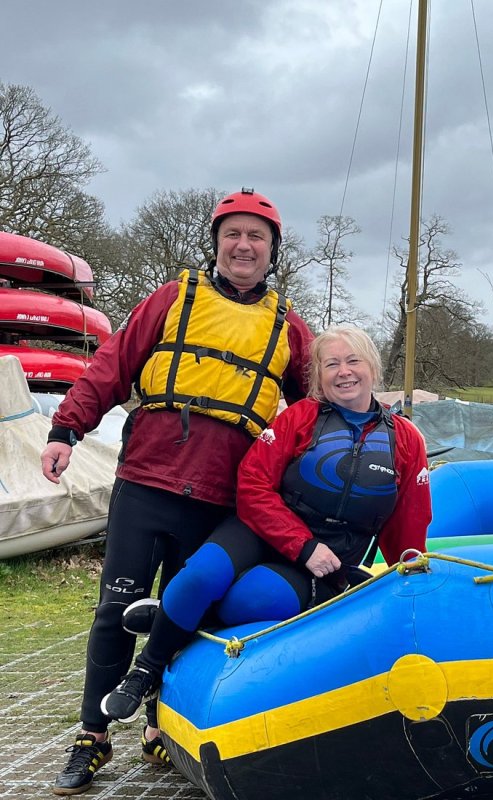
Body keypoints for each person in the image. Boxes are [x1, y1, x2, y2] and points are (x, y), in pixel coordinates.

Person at [41, 188, 314, 797]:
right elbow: (112, 366)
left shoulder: (290, 328)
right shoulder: (173, 298)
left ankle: (161, 724)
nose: (243, 245)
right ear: (215, 243)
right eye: (232, 234)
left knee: (188, 614)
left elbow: (315, 412)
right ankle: (92, 735)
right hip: (147, 481)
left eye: (257, 237)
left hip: (222, 496)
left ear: (272, 251)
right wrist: (66, 429)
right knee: (116, 610)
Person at [99, 324, 432, 724]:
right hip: (262, 531)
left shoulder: (406, 439)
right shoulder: (300, 417)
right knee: (200, 576)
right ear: (318, 376)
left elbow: (409, 523)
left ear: (372, 367)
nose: (344, 372)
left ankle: (177, 617)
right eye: (331, 364)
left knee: (257, 599)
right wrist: (302, 545)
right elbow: (252, 483)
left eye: (352, 361)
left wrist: (411, 586)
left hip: (326, 563)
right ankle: (146, 671)